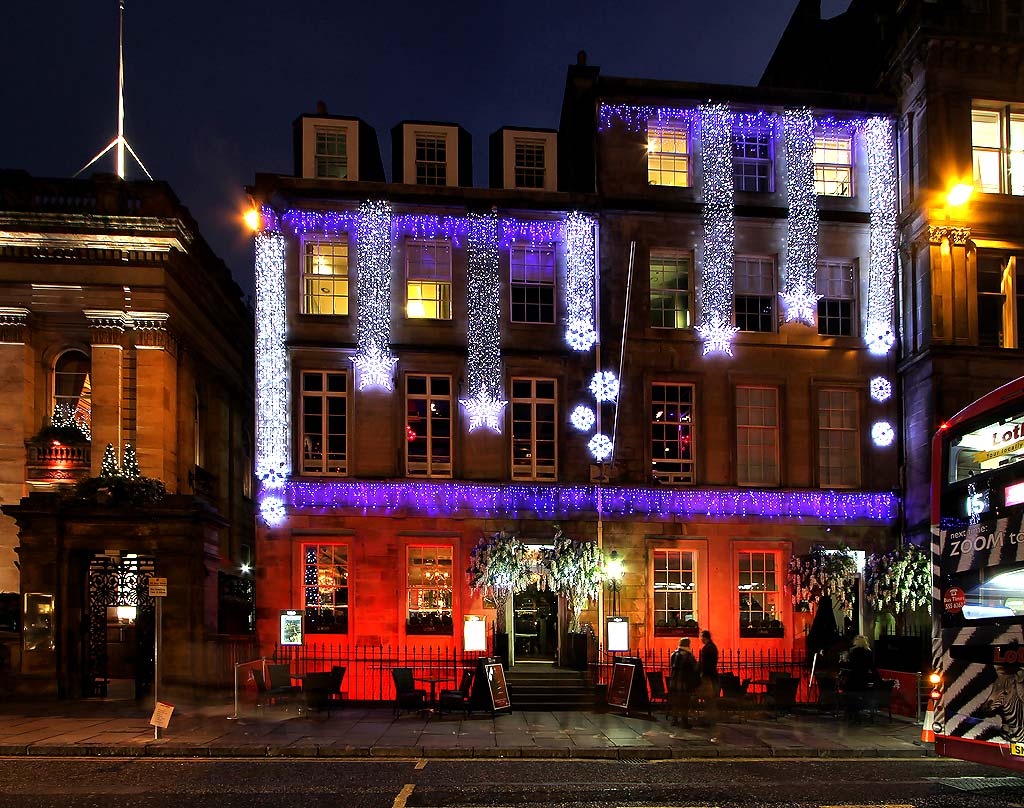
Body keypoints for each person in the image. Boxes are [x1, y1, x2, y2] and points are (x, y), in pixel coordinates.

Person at [840, 635, 879, 722]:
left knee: (849, 695)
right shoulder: (868, 652)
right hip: (863, 678)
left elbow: (849, 665)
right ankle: (856, 712)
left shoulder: (852, 652)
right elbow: (872, 667)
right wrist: (877, 678)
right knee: (861, 694)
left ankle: (850, 713)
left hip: (853, 678)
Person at [668, 637, 699, 728]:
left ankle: (674, 719)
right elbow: (694, 668)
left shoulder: (674, 654)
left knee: (676, 702)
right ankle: (684, 721)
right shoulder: (689, 656)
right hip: (684, 682)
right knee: (685, 702)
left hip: (674, 681)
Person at [698, 629, 720, 741]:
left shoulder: (708, 648)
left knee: (709, 699)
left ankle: (710, 719)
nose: (700, 639)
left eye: (701, 637)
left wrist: (702, 674)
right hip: (711, 676)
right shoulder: (712, 647)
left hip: (708, 677)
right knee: (709, 699)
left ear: (705, 637)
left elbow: (706, 664)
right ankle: (709, 718)